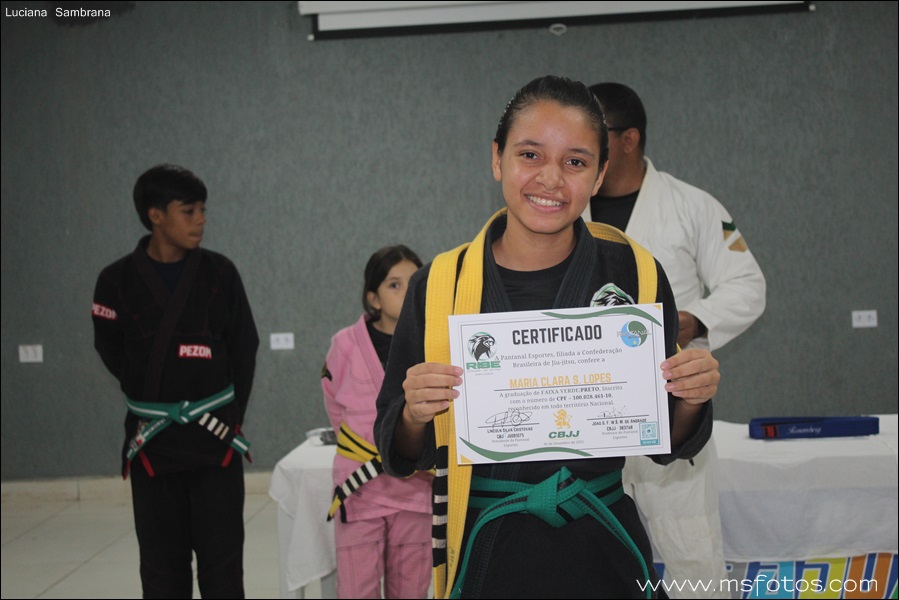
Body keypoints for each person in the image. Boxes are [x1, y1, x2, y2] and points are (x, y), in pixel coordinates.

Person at [374, 76, 720, 599]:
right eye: (530, 154)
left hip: (602, 540)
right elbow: (400, 450)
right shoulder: (440, 284)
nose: (551, 178)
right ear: (497, 158)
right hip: (489, 546)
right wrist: (413, 413)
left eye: (576, 161)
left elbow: (666, 440)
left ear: (600, 174)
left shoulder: (633, 271)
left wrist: (691, 396)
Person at [583, 82, 766, 597]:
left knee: (691, 552)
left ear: (628, 139)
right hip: (591, 408)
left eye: (595, 131)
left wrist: (693, 320)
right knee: (592, 557)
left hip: (673, 406)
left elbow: (747, 285)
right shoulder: (564, 209)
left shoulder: (692, 205)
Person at [92, 164, 259, 598]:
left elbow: (244, 347)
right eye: (188, 211)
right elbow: (110, 349)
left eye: (203, 210)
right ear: (155, 215)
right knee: (162, 571)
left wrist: (229, 413)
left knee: (224, 569)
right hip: (154, 443)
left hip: (215, 441)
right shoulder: (115, 282)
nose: (200, 220)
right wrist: (156, 393)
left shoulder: (220, 274)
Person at [322, 245, 433, 599]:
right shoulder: (344, 345)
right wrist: (370, 447)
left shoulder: (434, 342)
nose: (406, 292)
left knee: (412, 589)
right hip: (361, 484)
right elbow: (334, 407)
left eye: (413, 283)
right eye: (394, 285)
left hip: (414, 485)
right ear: (373, 298)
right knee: (357, 588)